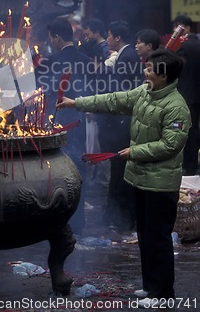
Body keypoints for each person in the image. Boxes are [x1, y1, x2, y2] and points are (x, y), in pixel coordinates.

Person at [57, 48, 191, 307]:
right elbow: (114, 100)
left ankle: (163, 295)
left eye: (150, 69)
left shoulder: (177, 107)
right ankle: (150, 287)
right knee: (145, 235)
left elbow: (170, 145)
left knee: (158, 239)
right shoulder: (144, 93)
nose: (145, 71)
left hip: (160, 184)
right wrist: (77, 103)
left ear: (163, 75)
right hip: (141, 178)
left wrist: (135, 152)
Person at [35, 18, 93, 236]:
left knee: (55, 169)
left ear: (56, 37)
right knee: (78, 169)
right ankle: (78, 222)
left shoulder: (51, 61)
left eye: (51, 37)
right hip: (78, 120)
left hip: (56, 119)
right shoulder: (86, 60)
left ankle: (57, 221)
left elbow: (44, 91)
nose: (52, 41)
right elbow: (92, 90)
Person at [102, 20, 144, 230]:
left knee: (120, 167)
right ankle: (120, 215)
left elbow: (121, 91)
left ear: (117, 38)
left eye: (109, 35)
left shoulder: (127, 57)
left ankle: (122, 217)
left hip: (122, 119)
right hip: (123, 118)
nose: (107, 39)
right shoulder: (126, 55)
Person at [172, 15, 200, 175]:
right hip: (197, 95)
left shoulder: (182, 46)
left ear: (186, 28)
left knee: (184, 129)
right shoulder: (198, 43)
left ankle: (187, 166)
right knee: (194, 129)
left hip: (186, 96)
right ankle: (193, 165)